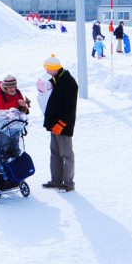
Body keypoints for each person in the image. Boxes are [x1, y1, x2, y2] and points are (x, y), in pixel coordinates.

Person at [41, 54, 78, 192]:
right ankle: (56, 180)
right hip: (54, 124)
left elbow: (70, 108)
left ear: (53, 68)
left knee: (66, 154)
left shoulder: (69, 83)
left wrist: (61, 124)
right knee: (55, 153)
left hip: (63, 126)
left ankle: (68, 183)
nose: (46, 71)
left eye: (47, 68)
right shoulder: (58, 79)